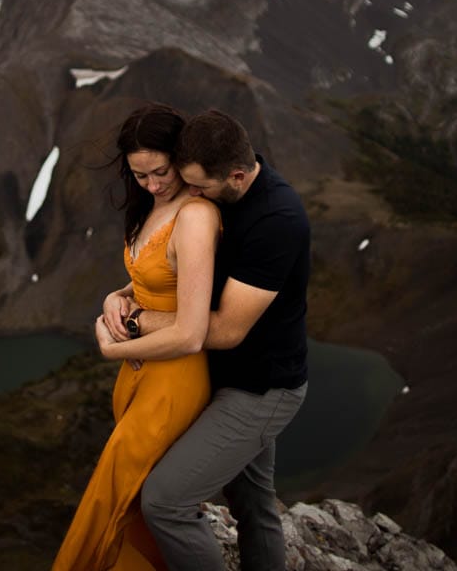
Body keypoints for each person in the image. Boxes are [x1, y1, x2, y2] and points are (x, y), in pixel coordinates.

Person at [117, 110, 311, 571]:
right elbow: (185, 273)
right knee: (253, 503)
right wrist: (123, 292)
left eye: (199, 188)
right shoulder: (221, 183)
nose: (192, 197)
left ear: (237, 176)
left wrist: (137, 321)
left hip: (260, 388)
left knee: (165, 501)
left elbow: (222, 330)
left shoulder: (277, 221)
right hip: (223, 376)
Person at [52, 103, 221, 571]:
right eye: (140, 175)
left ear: (181, 156)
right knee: (132, 500)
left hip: (174, 380)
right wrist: (116, 295)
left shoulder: (195, 216)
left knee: (112, 493)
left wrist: (115, 346)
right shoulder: (156, 205)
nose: (152, 185)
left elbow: (190, 332)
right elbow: (155, 278)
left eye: (161, 171)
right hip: (142, 374)